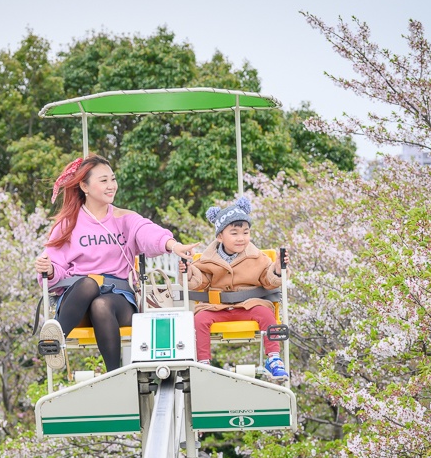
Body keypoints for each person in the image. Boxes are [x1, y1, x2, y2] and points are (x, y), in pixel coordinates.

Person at [36, 154, 196, 373]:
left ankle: (114, 373)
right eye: (103, 181)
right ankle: (55, 341)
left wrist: (172, 245)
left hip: (117, 301)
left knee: (100, 305)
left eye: (113, 179)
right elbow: (56, 268)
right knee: (88, 284)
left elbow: (147, 232)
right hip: (78, 301)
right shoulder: (68, 225)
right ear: (84, 185)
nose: (111, 186)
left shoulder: (124, 218)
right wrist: (50, 269)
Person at [183, 196, 289, 382]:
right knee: (199, 319)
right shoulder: (208, 259)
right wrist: (190, 271)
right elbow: (201, 282)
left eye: (245, 232)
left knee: (266, 315)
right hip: (218, 307)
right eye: (234, 233)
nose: (241, 238)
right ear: (220, 236)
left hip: (250, 305)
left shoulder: (258, 257)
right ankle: (203, 361)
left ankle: (273, 358)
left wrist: (277, 270)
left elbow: (267, 279)